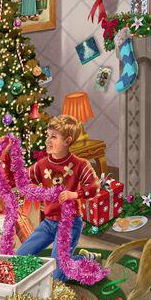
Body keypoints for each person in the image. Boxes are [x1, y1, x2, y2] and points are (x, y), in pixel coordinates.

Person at [14, 114, 99, 282]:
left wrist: (75, 194)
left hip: (70, 223)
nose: (47, 140)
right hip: (49, 223)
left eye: (53, 137)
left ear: (67, 141)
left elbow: (94, 186)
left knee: (58, 277)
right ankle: (66, 261)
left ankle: (85, 260)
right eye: (47, 136)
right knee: (19, 259)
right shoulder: (42, 164)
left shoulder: (80, 164)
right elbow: (23, 180)